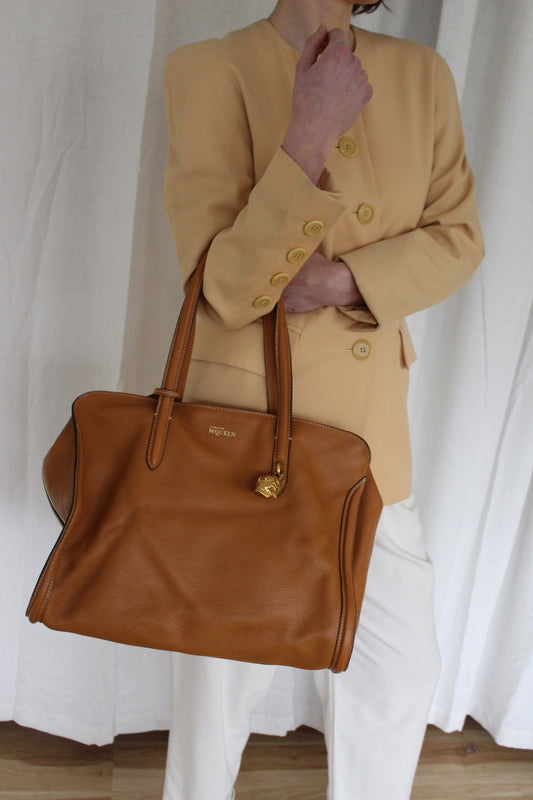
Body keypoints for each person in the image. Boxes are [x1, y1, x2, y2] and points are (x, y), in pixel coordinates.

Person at [160, 0, 485, 797]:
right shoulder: (208, 69)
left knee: (397, 667)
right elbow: (223, 287)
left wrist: (344, 282)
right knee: (220, 672)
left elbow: (458, 238)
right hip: (242, 425)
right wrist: (307, 133)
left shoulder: (420, 74)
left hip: (367, 428)